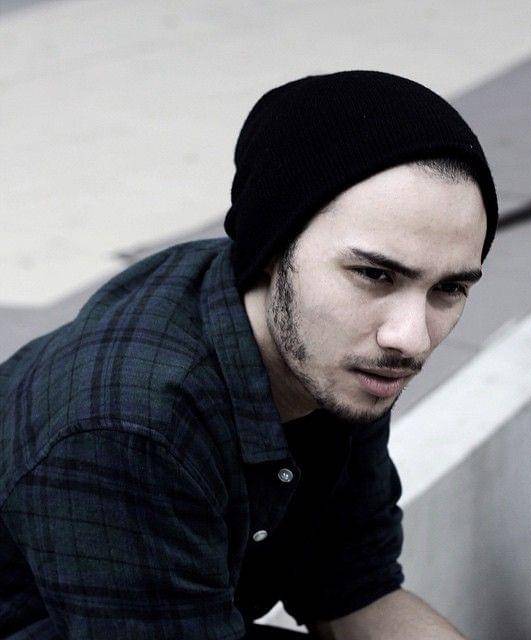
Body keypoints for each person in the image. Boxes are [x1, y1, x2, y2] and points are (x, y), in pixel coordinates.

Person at [0, 70, 498, 639]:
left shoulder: (334, 357)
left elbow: (353, 589)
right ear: (271, 247)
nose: (410, 338)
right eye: (374, 274)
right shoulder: (132, 427)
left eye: (448, 289)